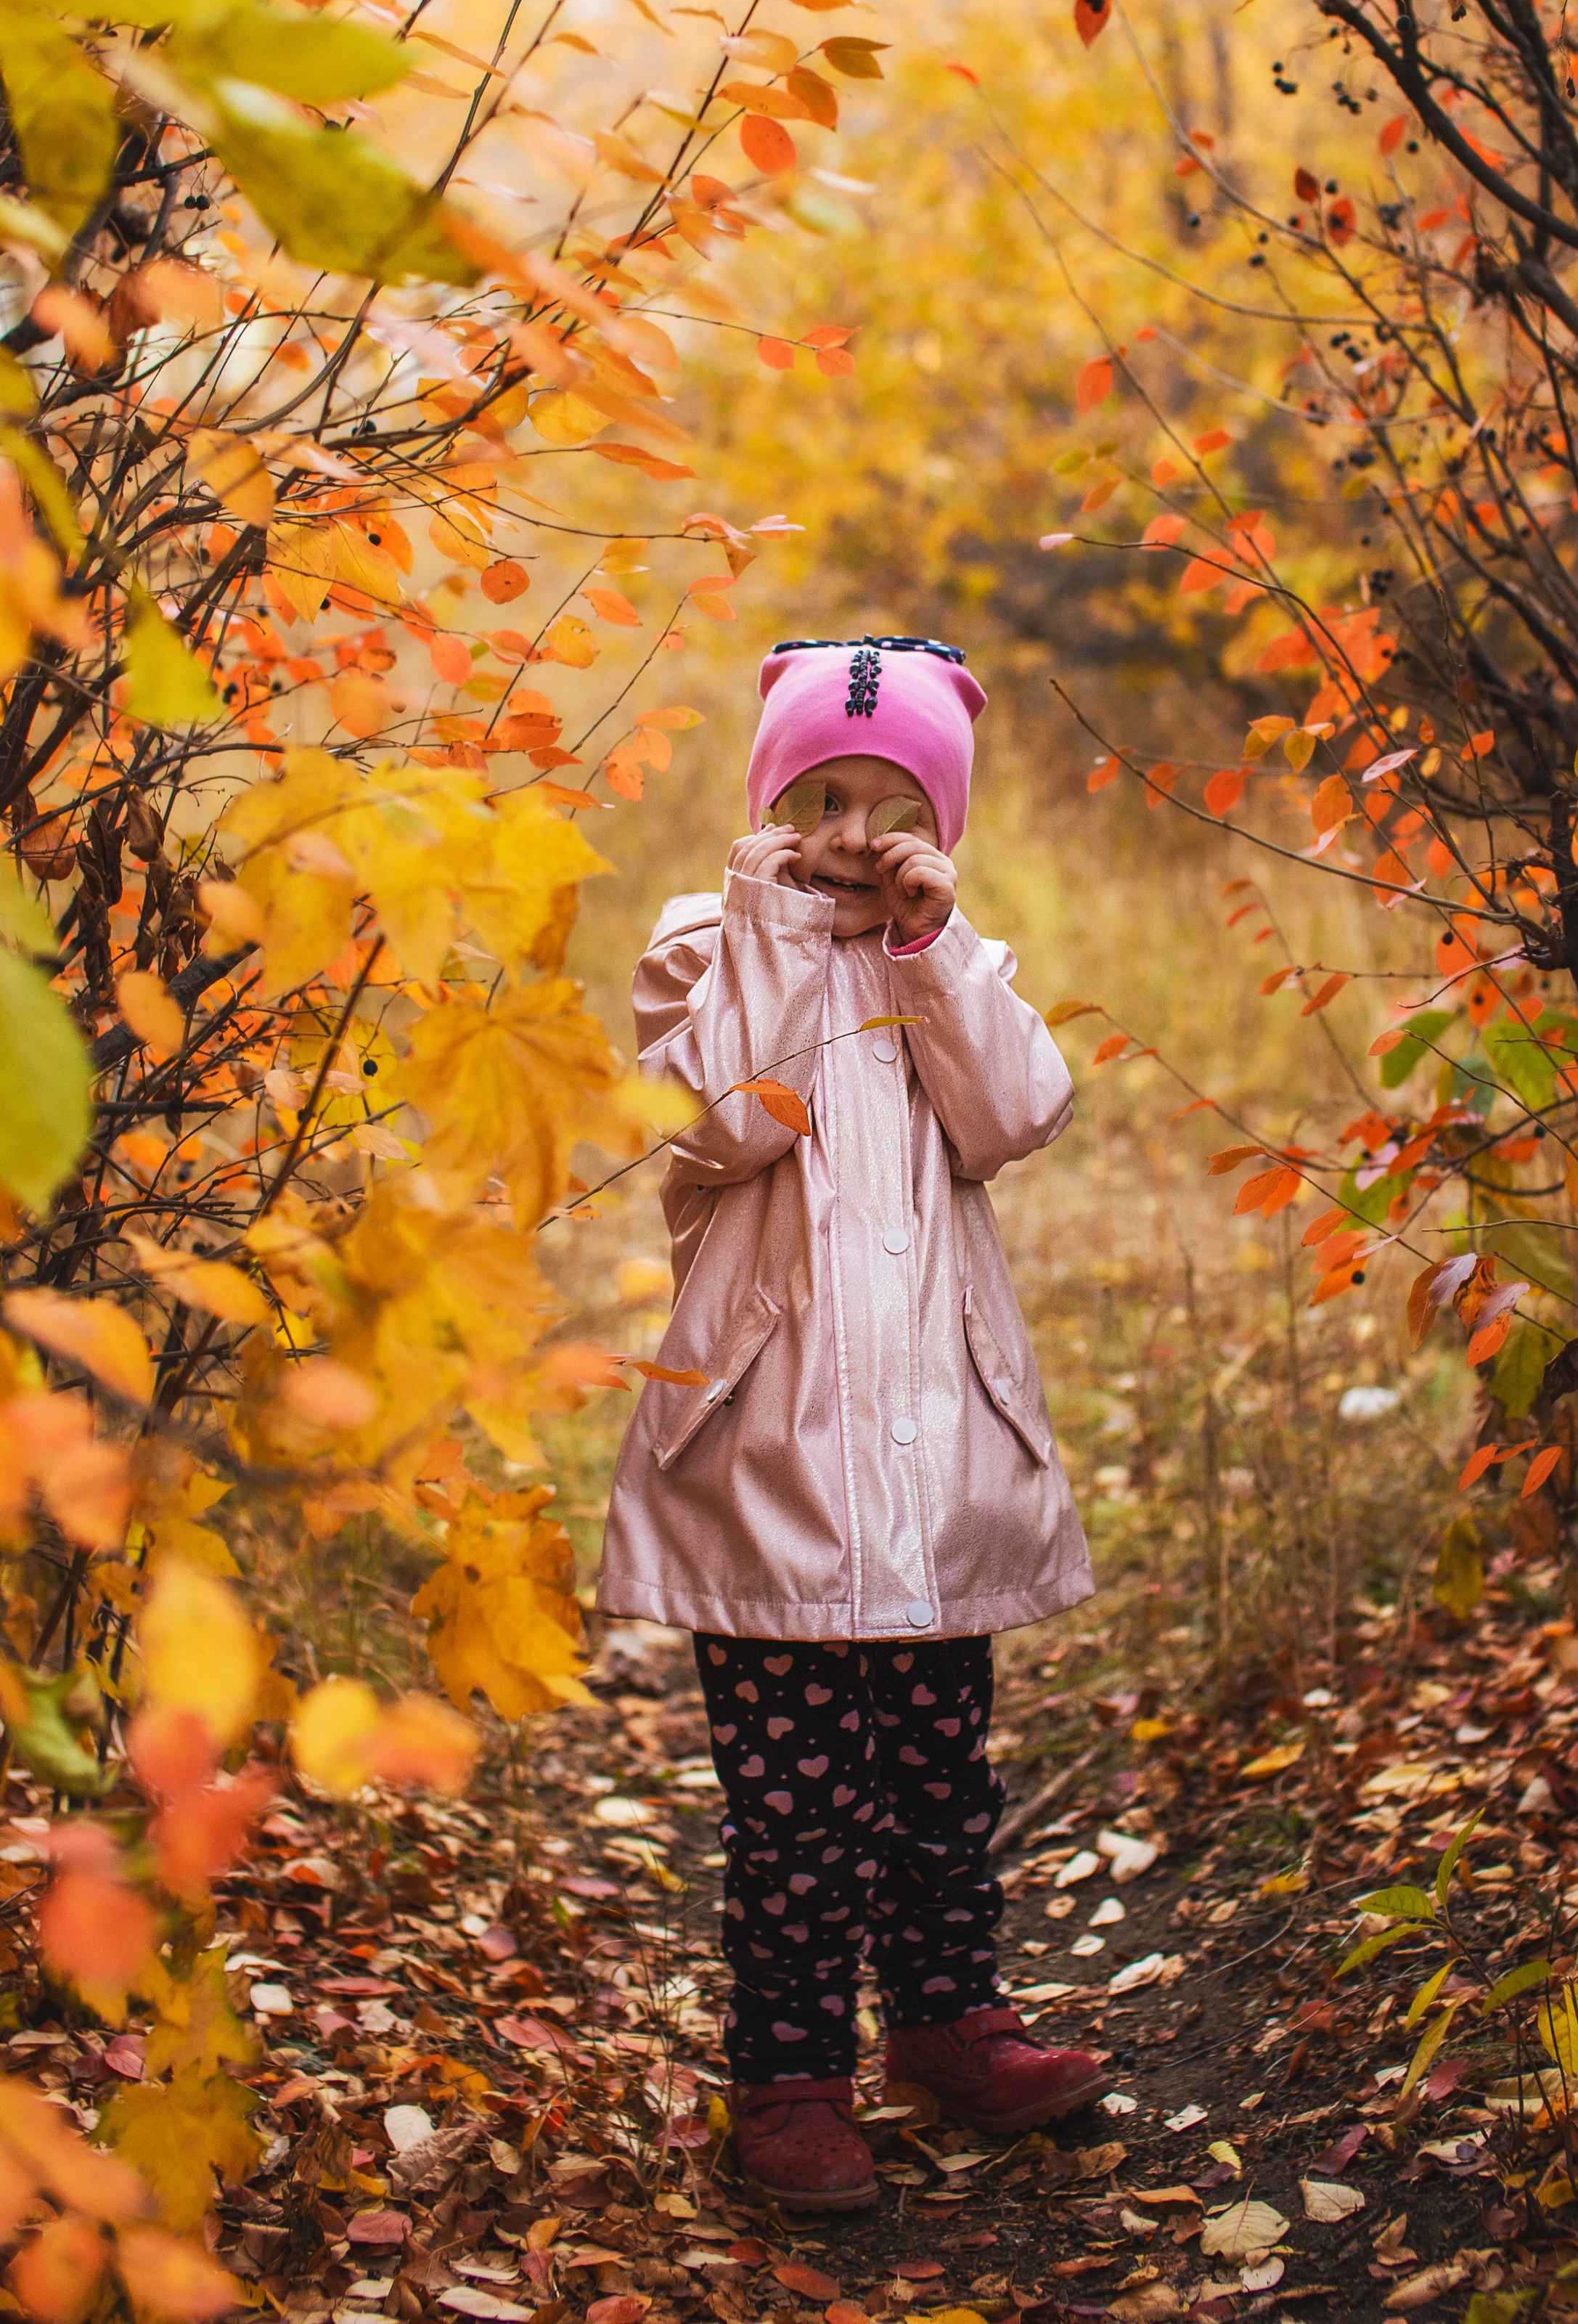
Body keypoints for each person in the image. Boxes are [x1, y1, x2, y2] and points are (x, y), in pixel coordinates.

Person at [599, 635, 1101, 2215]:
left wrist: (931, 949)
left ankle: (948, 2027)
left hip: (936, 1456)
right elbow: (724, 1119)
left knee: (941, 1781)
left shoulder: (958, 967)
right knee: (796, 1812)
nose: (853, 828)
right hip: (772, 1461)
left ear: (938, 828)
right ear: (767, 807)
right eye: (819, 795)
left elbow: (1014, 1113)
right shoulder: (701, 948)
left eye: (891, 804)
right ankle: (790, 2086)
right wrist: (770, 918)